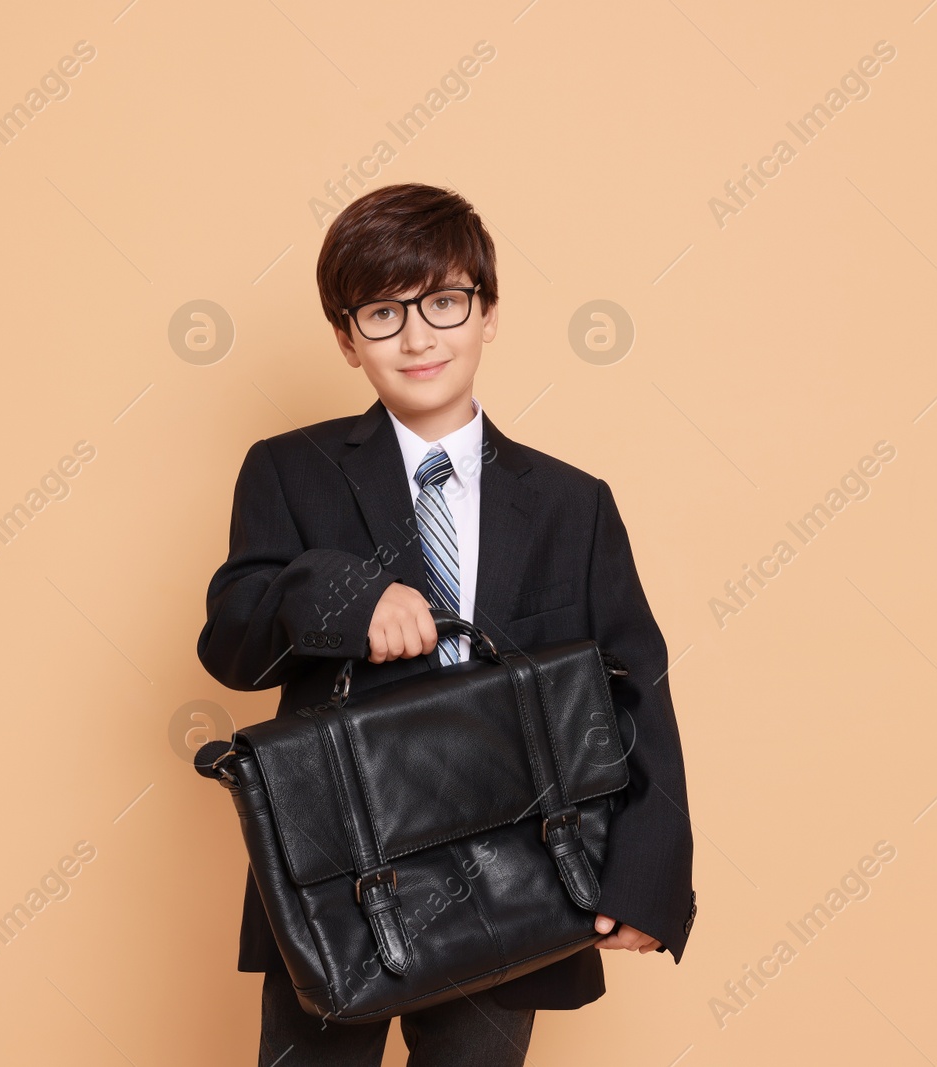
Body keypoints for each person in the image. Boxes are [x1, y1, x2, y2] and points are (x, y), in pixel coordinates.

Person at [197, 182, 695, 1066]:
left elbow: (635, 683)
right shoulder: (288, 470)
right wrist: (345, 597)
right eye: (384, 313)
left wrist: (646, 874)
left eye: (444, 302)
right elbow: (232, 641)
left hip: (517, 869)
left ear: (488, 313)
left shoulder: (572, 504)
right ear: (348, 340)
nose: (419, 336)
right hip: (336, 879)